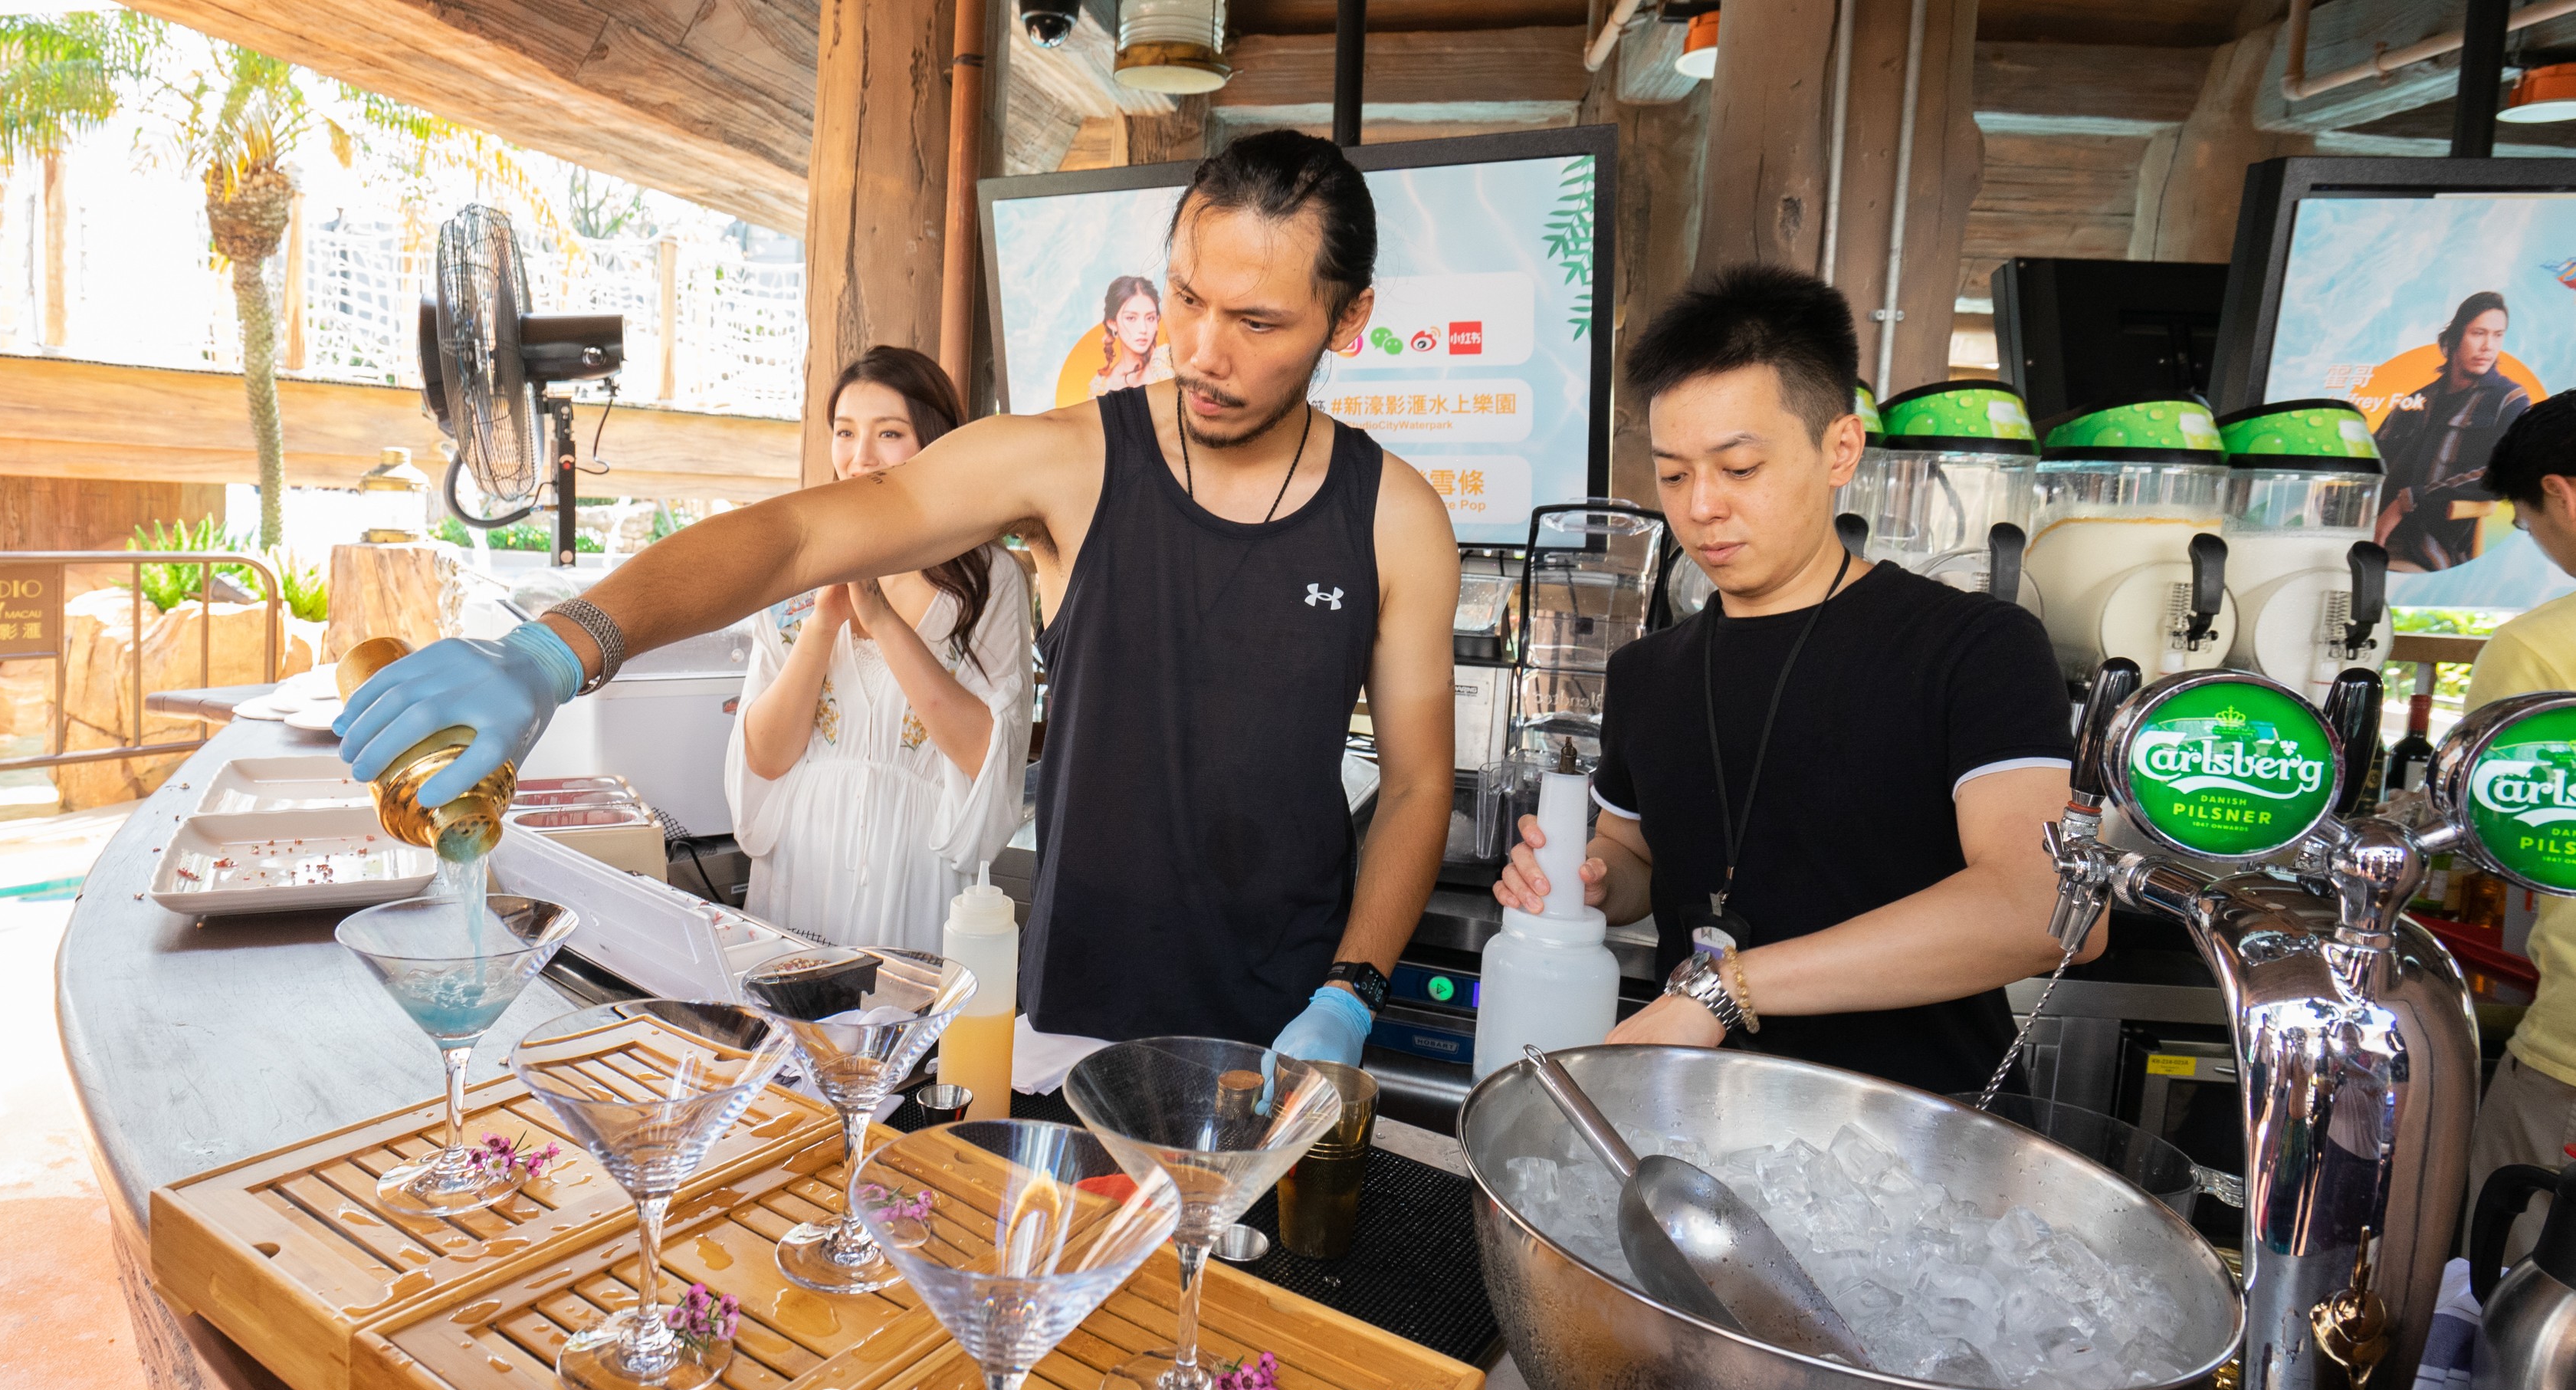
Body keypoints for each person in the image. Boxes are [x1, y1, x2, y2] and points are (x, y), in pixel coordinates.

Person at [332, 130, 1458, 1068]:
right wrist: (558, 649)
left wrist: (1349, 995)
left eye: (1257, 323)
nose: (1202, 351)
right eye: (1187, 298)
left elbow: (1414, 784)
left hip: (1289, 1023)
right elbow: (801, 535)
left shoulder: (1394, 517)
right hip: (1071, 1018)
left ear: (1347, 320)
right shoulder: (1070, 460)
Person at [1492, 266, 2099, 1098]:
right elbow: (1633, 853)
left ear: (1839, 448)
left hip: (1921, 1128)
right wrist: (1584, 874)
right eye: (1673, 474)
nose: (1701, 507)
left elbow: (2050, 908)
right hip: (1694, 1122)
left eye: (1740, 468)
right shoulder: (1649, 671)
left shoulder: (1971, 647)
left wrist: (1724, 989)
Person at [722, 346, 1032, 950]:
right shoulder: (795, 567)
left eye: (889, 433)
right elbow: (767, 758)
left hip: (915, 869)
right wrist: (822, 624)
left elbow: (985, 754)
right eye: (845, 432)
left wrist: (882, 620)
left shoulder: (987, 579)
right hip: (801, 864)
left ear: (935, 441)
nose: (860, 456)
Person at [2458, 392, 2576, 1263]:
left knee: (2512, 1292)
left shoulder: (2539, 647)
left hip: (2570, 1058)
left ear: (2560, 495)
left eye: (2528, 524)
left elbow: (2486, 830)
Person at [2377, 291, 2529, 572]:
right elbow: (2374, 456)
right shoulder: (2419, 399)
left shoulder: (2509, 400)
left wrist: (2409, 500)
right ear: (2454, 338)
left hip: (2432, 548)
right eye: (2478, 333)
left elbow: (2503, 474)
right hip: (2373, 535)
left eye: (2498, 335)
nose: (2488, 346)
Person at [1091, 274, 1169, 396]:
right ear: (1112, 323)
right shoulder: (1100, 387)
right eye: (1131, 318)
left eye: (1150, 318)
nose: (1143, 329)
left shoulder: (1169, 358)